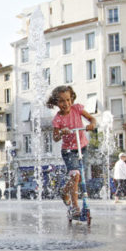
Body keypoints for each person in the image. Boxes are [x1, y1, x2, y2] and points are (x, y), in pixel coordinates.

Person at [47, 85, 97, 219]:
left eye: (68, 100)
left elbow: (92, 119)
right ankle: (75, 207)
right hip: (68, 150)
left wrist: (92, 124)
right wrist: (61, 132)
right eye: (62, 101)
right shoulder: (57, 119)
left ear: (72, 99)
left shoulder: (77, 109)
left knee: (78, 177)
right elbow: (55, 138)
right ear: (56, 102)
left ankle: (64, 191)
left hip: (82, 147)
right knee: (75, 176)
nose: (66, 104)